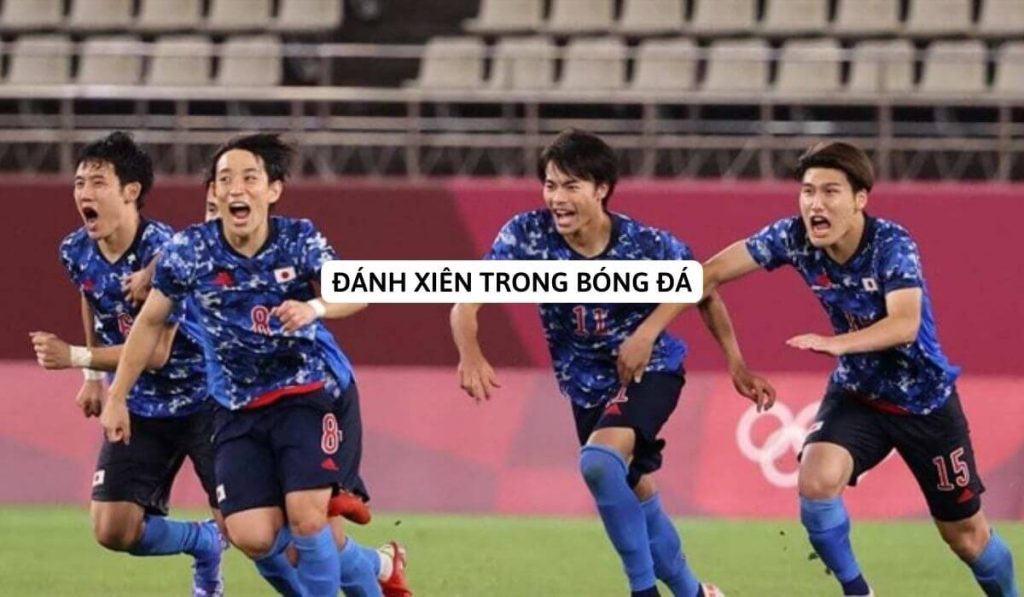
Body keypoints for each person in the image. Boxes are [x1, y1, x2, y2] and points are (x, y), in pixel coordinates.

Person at [620, 140, 1018, 597]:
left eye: (830, 192)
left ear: (860, 199)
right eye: (808, 191)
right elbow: (708, 273)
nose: (815, 204)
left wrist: (837, 344)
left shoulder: (892, 245)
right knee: (816, 483)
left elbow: (905, 324)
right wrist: (650, 331)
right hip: (858, 395)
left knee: (967, 538)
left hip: (924, 403)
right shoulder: (793, 238)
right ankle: (858, 592)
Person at [451, 128, 775, 597]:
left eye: (570, 186)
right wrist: (470, 353)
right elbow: (465, 301)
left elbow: (703, 289)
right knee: (636, 491)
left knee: (600, 464)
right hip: (586, 388)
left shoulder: (645, 245)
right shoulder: (527, 235)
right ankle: (694, 592)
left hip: (650, 370)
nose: (556, 198)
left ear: (601, 189)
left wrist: (732, 363)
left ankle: (642, 591)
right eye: (550, 185)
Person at [101, 133, 409, 596]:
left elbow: (356, 290)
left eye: (249, 177)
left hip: (302, 396)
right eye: (225, 179)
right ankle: (379, 567)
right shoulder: (191, 251)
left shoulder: (298, 239)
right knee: (252, 535)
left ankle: (364, 574)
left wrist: (313, 307)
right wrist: (116, 395)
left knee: (308, 519)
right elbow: (148, 323)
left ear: (273, 189)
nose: (236, 188)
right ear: (214, 192)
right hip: (235, 410)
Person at [30, 131, 224, 597]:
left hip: (205, 400)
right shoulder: (75, 250)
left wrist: (74, 356)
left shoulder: (168, 251)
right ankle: (204, 543)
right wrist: (93, 377)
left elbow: (155, 353)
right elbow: (91, 296)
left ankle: (365, 567)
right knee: (112, 528)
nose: (84, 193)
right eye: (79, 183)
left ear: (131, 191)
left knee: (252, 530)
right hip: (140, 404)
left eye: (98, 183)